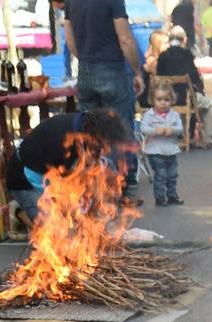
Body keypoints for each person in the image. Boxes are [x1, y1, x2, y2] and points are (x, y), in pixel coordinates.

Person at [64, 0, 144, 205]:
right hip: (112, 69)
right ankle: (120, 187)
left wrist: (85, 59)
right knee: (118, 129)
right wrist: (136, 71)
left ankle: (94, 185)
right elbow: (125, 38)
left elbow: (70, 39)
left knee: (89, 131)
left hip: (86, 69)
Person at [4, 108, 131, 223]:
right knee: (56, 232)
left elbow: (92, 171)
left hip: (53, 175)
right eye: (104, 145)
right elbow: (62, 189)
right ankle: (20, 212)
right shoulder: (62, 143)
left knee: (107, 168)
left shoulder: (84, 127)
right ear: (94, 137)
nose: (106, 149)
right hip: (25, 182)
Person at [156, 25, 212, 146]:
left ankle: (182, 135)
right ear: (183, 40)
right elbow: (195, 78)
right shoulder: (187, 55)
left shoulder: (162, 57)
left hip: (166, 98)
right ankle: (210, 139)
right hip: (185, 97)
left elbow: (159, 77)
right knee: (209, 104)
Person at [140, 80, 184, 206]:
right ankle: (160, 197)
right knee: (161, 174)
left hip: (171, 150)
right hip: (155, 150)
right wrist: (155, 131)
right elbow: (143, 129)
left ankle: (172, 195)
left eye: (166, 99)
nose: (163, 103)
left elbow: (180, 128)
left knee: (172, 174)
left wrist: (172, 130)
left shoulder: (174, 115)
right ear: (153, 100)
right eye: (159, 99)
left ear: (171, 100)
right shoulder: (150, 115)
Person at [138, 30, 168, 108]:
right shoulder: (151, 60)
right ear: (157, 45)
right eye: (165, 43)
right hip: (149, 98)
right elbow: (162, 77)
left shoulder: (157, 59)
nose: (168, 45)